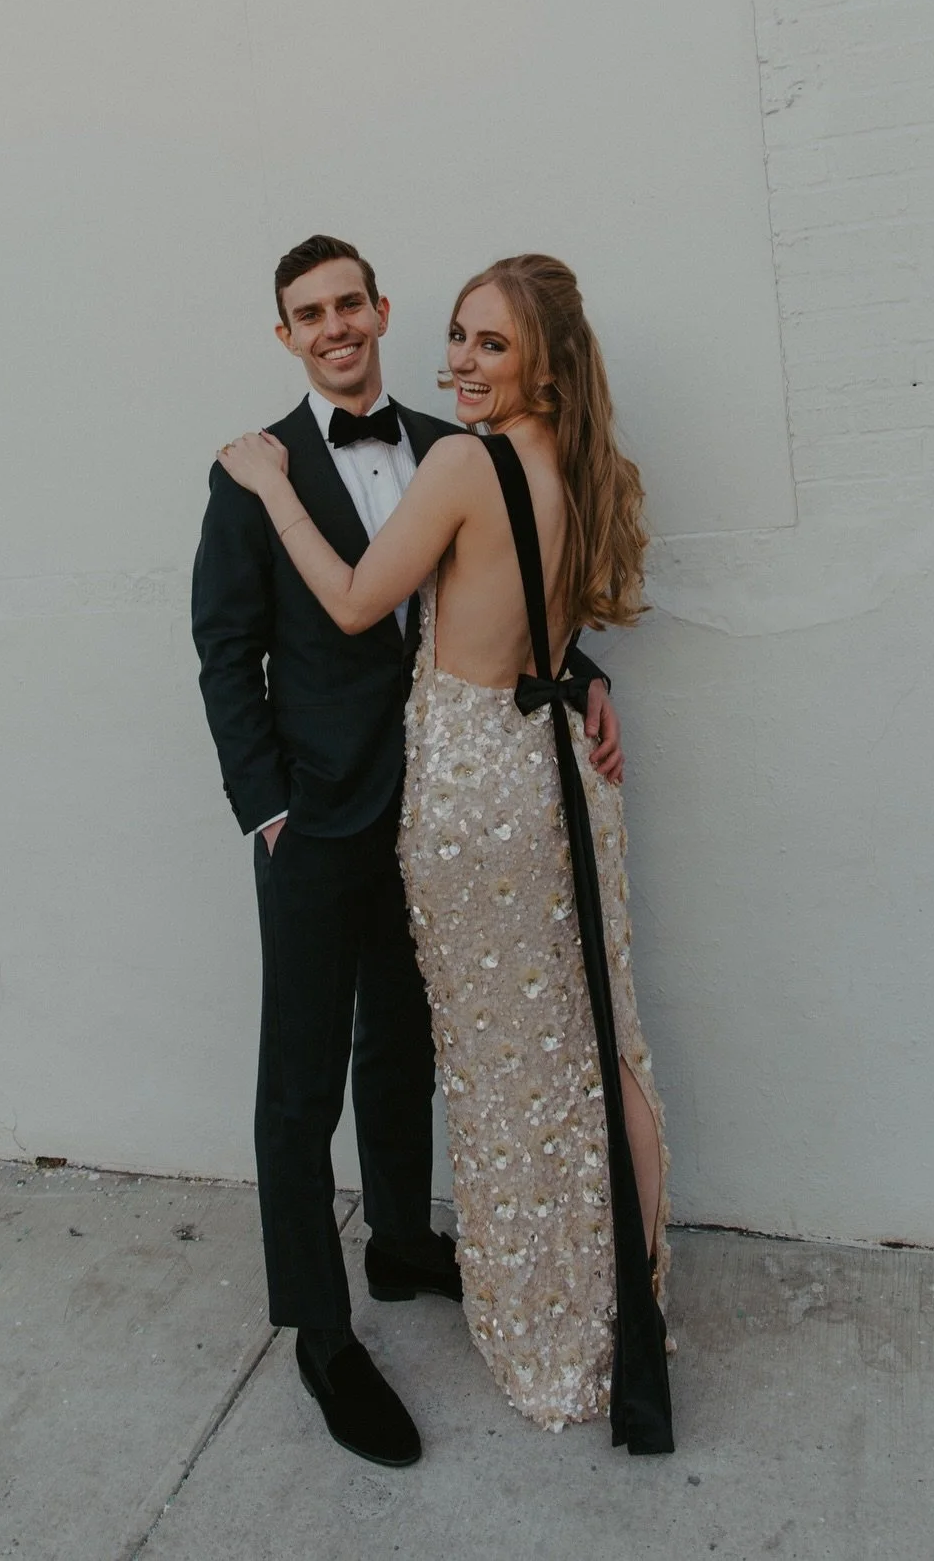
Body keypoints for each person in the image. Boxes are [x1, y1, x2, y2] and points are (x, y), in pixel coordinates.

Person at [217, 252, 674, 1456]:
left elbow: (486, 594)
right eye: (308, 313)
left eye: (352, 304)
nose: (336, 327)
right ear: (286, 333)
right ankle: (323, 1338)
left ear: (378, 310)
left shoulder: (449, 442)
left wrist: (577, 675)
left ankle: (409, 1245)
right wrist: (267, 809)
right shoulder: (246, 471)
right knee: (302, 1081)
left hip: (455, 803)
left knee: (423, 1044)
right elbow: (228, 656)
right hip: (329, 816)